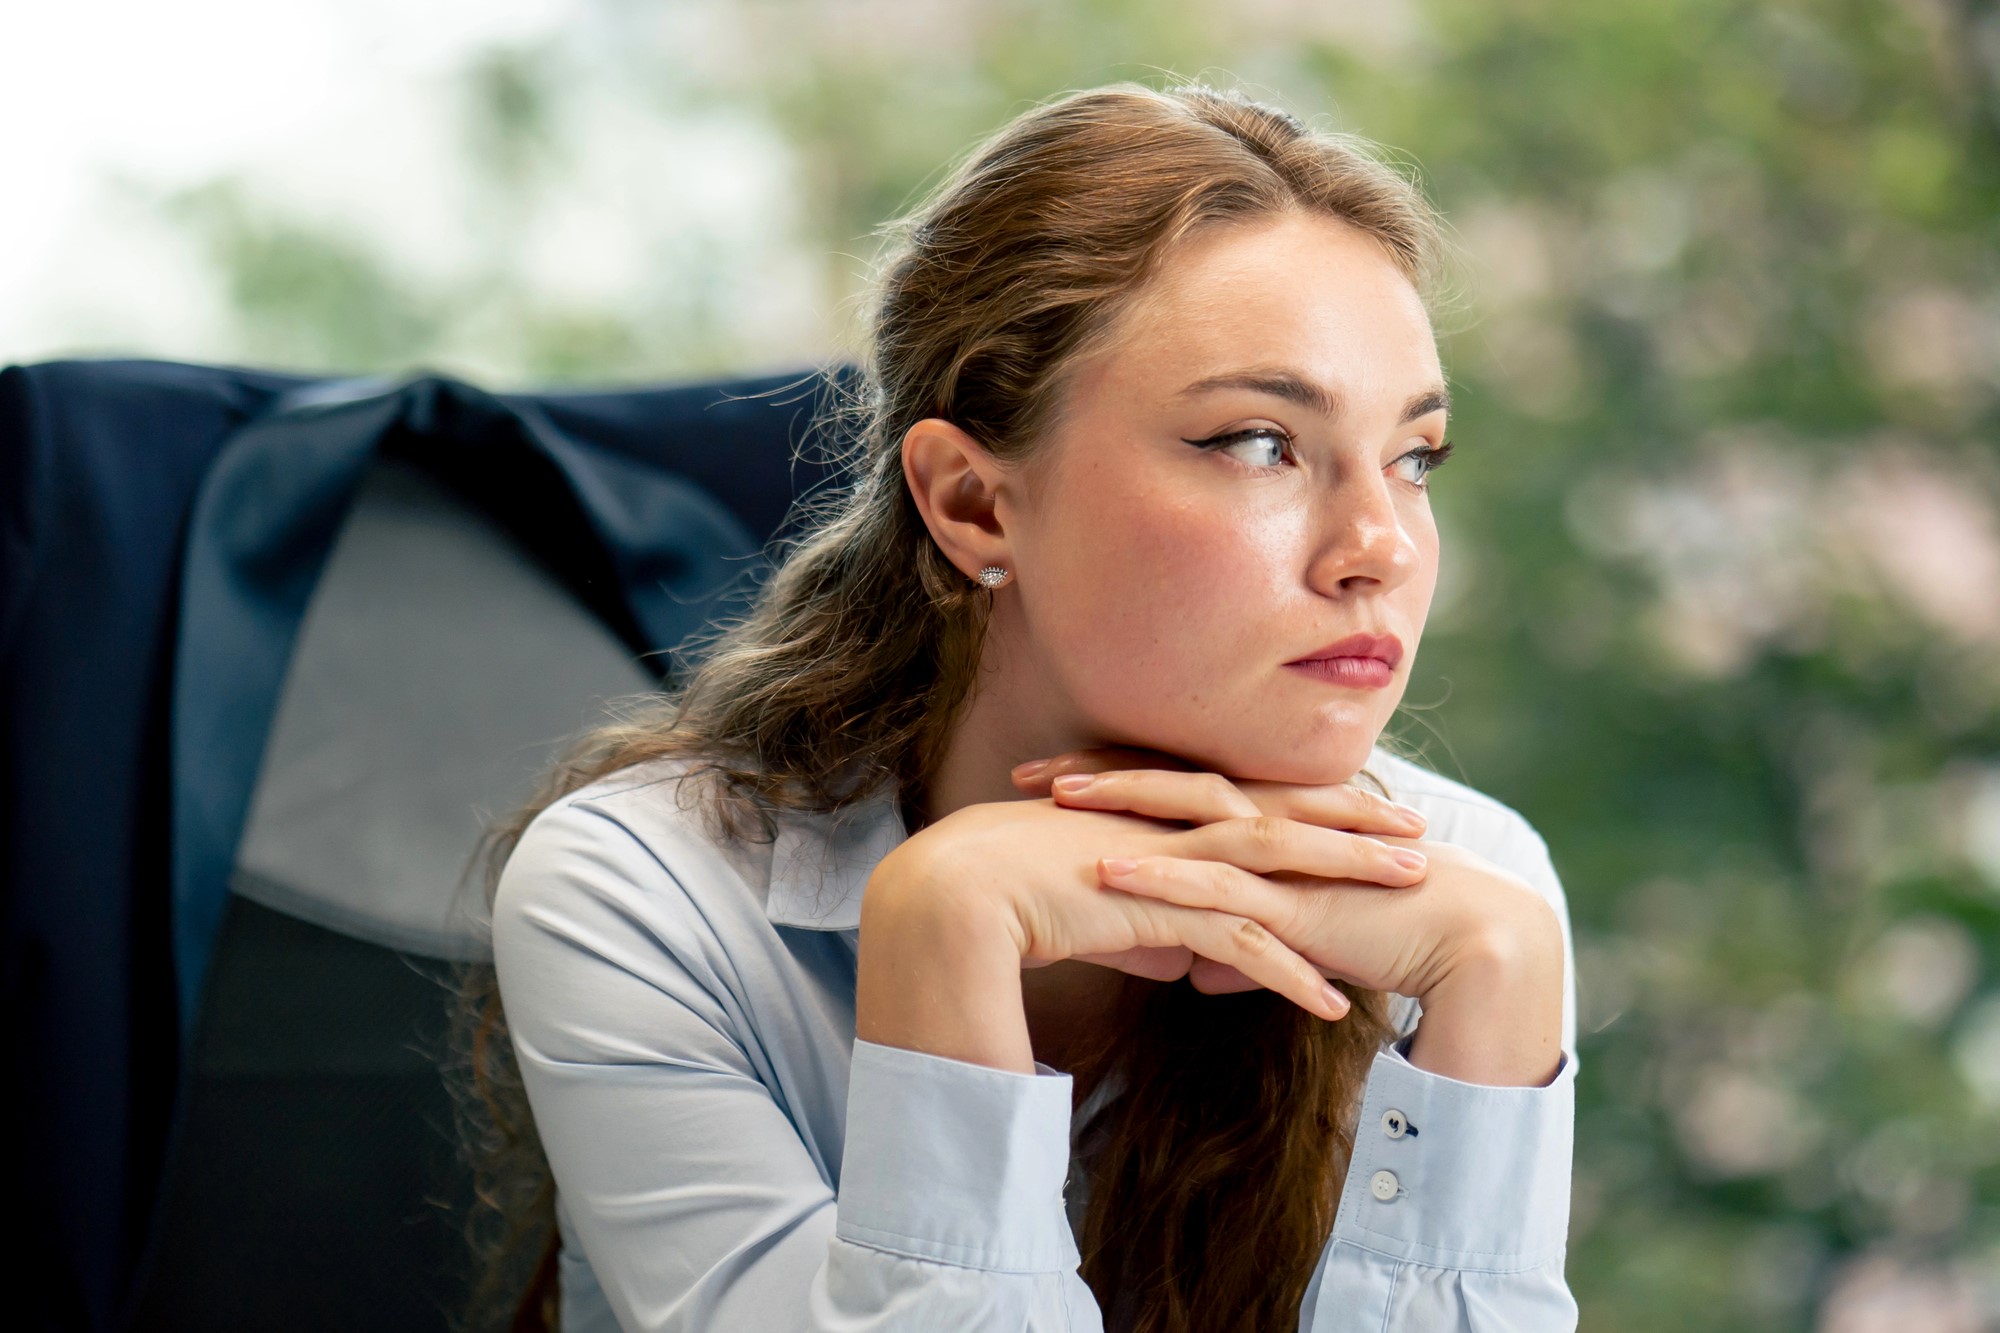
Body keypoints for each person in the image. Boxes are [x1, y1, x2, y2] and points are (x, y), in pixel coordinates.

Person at [463, 80, 1580, 1333]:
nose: (1377, 545)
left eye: (1412, 457)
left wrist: (1502, 983)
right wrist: (946, 932)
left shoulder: (1472, 900)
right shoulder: (642, 895)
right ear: (973, 505)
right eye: (1260, 442)